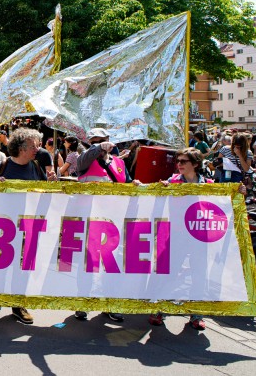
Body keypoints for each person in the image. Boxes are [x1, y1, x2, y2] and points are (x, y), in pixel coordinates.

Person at [0, 128, 56, 325]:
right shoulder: (2, 165)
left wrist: (50, 184)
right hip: (4, 228)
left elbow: (42, 193)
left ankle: (18, 304)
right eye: (34, 146)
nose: (38, 149)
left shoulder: (35, 167)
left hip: (28, 226)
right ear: (22, 147)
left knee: (22, 266)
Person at [73, 127, 141, 323]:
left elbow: (126, 183)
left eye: (101, 140)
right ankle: (83, 302)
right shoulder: (85, 160)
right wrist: (98, 148)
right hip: (91, 221)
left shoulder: (119, 162)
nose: (97, 144)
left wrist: (133, 184)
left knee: (112, 263)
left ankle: (110, 303)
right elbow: (87, 156)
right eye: (93, 141)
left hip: (113, 221)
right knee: (88, 262)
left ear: (109, 140)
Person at [150, 147, 213, 330]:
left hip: (199, 235)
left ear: (195, 164)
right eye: (178, 161)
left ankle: (196, 314)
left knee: (199, 275)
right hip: (177, 234)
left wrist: (239, 190)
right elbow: (153, 193)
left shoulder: (209, 183)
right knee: (169, 273)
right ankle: (159, 309)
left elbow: (224, 200)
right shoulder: (172, 181)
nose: (179, 165)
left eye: (183, 162)